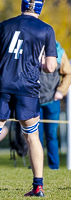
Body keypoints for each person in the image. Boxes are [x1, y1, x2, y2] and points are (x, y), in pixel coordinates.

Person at [0, 0, 57, 198]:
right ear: (40, 7)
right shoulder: (46, 29)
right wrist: (40, 61)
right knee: (32, 137)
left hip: (2, 87)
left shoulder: (4, 25)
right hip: (27, 90)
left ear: (22, 5)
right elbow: (51, 67)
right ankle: (38, 187)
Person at [38, 41, 71, 170]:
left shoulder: (60, 52)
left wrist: (61, 91)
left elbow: (68, 74)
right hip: (34, 101)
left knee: (51, 135)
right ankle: (37, 167)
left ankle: (54, 167)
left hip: (52, 100)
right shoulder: (32, 48)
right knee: (35, 137)